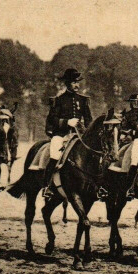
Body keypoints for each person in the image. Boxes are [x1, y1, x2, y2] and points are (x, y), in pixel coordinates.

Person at [42, 68, 93, 199]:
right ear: (67, 84)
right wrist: (66, 122)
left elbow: (89, 120)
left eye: (78, 82)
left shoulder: (83, 100)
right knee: (54, 155)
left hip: (79, 136)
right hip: (61, 135)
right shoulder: (58, 100)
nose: (77, 85)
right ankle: (47, 186)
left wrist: (88, 131)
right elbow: (52, 119)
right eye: (74, 82)